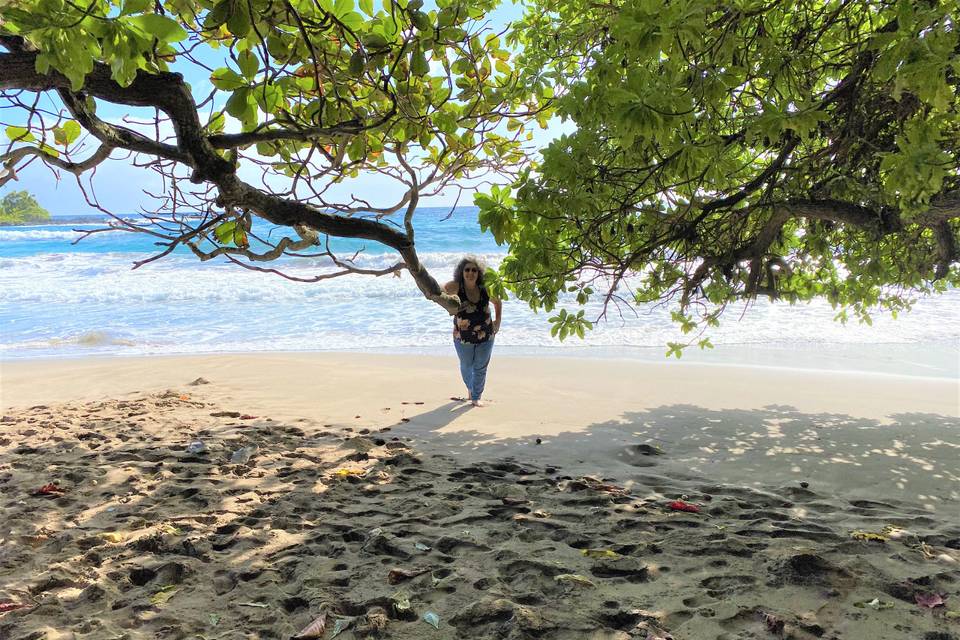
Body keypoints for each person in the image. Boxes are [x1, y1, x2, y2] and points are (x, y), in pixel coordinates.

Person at [444, 256, 502, 407]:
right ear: (462, 272)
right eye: (467, 270)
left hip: (486, 335)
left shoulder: (485, 288)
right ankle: (470, 388)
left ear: (479, 273)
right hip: (462, 337)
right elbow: (438, 292)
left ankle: (476, 396)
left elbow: (497, 302)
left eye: (474, 270)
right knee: (467, 365)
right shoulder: (456, 286)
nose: (471, 273)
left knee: (481, 366)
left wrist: (498, 321)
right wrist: (449, 307)